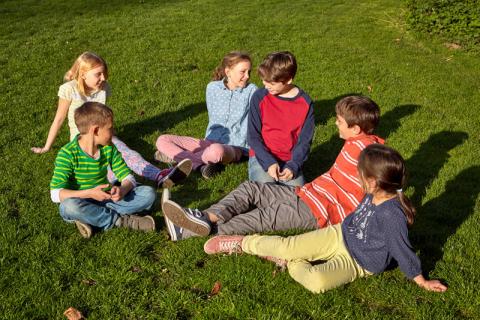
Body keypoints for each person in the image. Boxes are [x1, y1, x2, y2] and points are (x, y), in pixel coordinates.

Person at [203, 144, 448, 294]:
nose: (358, 179)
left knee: (317, 282)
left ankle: (288, 261)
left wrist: (421, 280)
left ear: (373, 182)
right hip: (338, 235)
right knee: (287, 244)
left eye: (360, 175)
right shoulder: (372, 193)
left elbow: (402, 250)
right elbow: (354, 217)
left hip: (358, 264)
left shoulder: (391, 214)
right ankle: (240, 243)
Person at [161, 96, 384, 240]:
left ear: (355, 129)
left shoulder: (371, 156)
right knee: (252, 188)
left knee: (259, 217)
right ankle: (207, 216)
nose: (335, 123)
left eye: (339, 121)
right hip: (305, 193)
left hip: (317, 211)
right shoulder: (355, 142)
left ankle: (187, 231)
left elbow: (384, 189)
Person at [31, 52, 191, 188]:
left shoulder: (104, 88)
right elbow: (58, 119)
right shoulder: (69, 89)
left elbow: (102, 116)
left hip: (103, 134)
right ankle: (120, 186)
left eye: (104, 73)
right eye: (98, 74)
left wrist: (109, 135)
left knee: (125, 152)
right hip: (83, 139)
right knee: (103, 162)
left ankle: (159, 176)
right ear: (83, 74)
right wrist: (46, 147)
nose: (103, 78)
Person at [50, 102, 157, 238]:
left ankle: (93, 219)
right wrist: (90, 193)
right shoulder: (67, 154)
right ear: (95, 131)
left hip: (106, 199)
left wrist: (122, 190)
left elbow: (127, 177)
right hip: (81, 201)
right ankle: (121, 221)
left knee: (149, 194)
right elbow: (55, 194)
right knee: (68, 207)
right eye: (110, 129)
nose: (113, 132)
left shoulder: (108, 148)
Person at [155, 51, 258, 179]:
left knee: (217, 151)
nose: (247, 76)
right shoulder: (212, 88)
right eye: (243, 72)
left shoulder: (252, 90)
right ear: (228, 71)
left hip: (235, 147)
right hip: (208, 142)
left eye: (249, 72)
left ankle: (177, 158)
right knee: (162, 140)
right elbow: (213, 117)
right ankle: (199, 166)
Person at [248, 51, 315, 186]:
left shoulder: (305, 103)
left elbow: (304, 141)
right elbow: (253, 136)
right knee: (265, 191)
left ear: (288, 80)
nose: (265, 85)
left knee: (297, 198)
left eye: (271, 82)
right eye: (264, 80)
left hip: (289, 160)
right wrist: (269, 162)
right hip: (262, 156)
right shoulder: (259, 97)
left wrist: (294, 165)